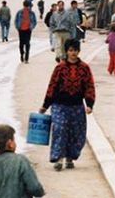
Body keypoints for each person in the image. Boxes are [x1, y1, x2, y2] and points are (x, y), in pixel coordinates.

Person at [39, 39, 95, 171]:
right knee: (59, 129)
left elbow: (89, 86)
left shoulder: (84, 68)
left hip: (77, 105)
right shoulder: (60, 68)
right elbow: (52, 86)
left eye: (75, 50)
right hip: (60, 105)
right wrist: (45, 105)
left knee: (76, 133)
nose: (73, 53)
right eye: (70, 50)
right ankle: (58, 158)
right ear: (66, 51)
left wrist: (90, 104)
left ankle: (70, 157)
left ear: (78, 51)